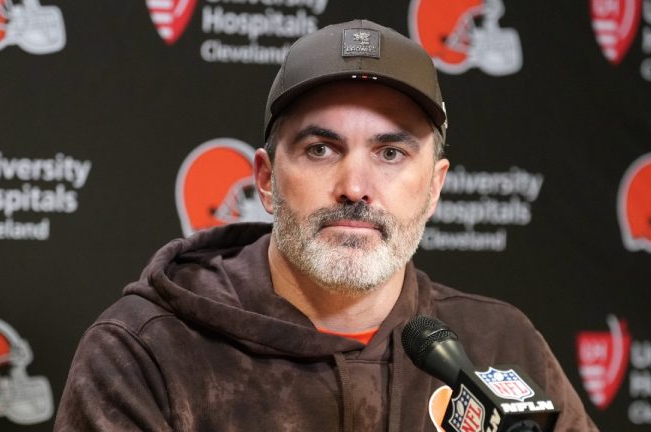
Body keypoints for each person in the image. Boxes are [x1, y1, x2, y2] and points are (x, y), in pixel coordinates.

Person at [55, 19, 598, 431]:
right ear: (266, 180)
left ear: (434, 188)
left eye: (390, 153)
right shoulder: (145, 351)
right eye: (320, 149)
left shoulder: (501, 343)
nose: (355, 187)